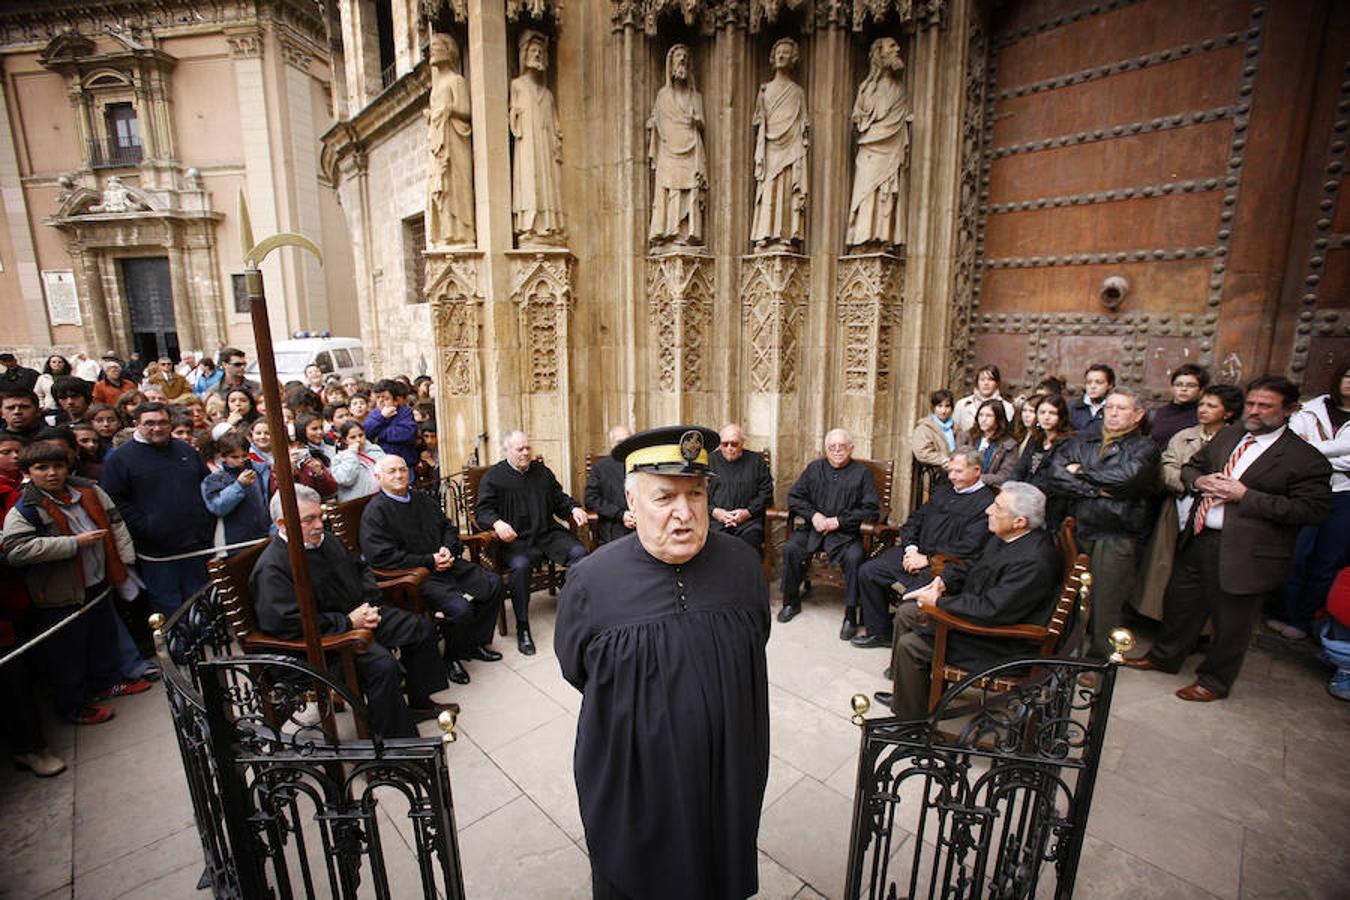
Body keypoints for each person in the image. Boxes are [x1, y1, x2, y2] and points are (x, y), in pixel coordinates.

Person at [555, 425, 769, 900]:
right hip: (636, 780)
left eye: (695, 493)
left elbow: (755, 643)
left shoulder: (742, 567)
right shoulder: (591, 580)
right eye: (664, 497)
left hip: (725, 774)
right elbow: (576, 668)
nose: (684, 513)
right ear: (631, 502)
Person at [1125, 376, 1333, 701]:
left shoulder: (1304, 458)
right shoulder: (1231, 435)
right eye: (1251, 403)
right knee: (1181, 605)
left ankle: (1214, 681)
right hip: (1200, 536)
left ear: (1290, 410)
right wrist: (1200, 480)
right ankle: (1164, 657)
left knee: (1232, 622)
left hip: (1248, 553)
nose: (1254, 411)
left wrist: (1246, 496)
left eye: (1265, 406)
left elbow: (1312, 510)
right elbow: (1192, 467)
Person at [251, 485, 456, 739]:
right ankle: (388, 742)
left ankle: (419, 702)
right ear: (283, 523)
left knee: (420, 628)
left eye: (320, 516)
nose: (318, 525)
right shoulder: (273, 567)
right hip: (322, 645)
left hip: (358, 616)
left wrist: (368, 606)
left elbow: (361, 569)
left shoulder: (326, 540)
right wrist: (347, 622)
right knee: (382, 666)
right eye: (308, 520)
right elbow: (287, 623)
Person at [872, 482, 1061, 718]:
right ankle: (908, 695)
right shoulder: (1006, 536)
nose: (988, 510)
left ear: (1019, 522)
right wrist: (944, 581)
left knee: (911, 646)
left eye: (998, 507)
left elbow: (992, 609)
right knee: (907, 610)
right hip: (983, 619)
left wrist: (938, 604)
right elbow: (975, 565)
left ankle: (910, 723)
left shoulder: (1034, 561)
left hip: (1000, 644)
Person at [3, 440, 146, 726]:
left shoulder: (88, 489)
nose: (52, 473)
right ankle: (74, 704)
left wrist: (124, 562)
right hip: (60, 593)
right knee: (68, 653)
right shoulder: (26, 507)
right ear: (30, 471)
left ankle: (109, 682)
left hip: (97, 580)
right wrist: (71, 544)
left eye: (57, 466)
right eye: (42, 468)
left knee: (102, 638)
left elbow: (115, 521)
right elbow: (16, 550)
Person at [361, 455, 504, 685]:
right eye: (391, 472)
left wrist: (447, 548)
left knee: (493, 584)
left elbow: (447, 526)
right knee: (460, 608)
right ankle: (451, 658)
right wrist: (429, 560)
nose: (399, 475)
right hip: (416, 576)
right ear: (378, 477)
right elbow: (382, 557)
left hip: (444, 563)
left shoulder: (421, 498)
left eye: (402, 469)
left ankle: (474, 643)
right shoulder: (375, 513)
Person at [1049, 387, 1159, 656]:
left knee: (1105, 601)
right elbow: (1055, 474)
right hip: (1076, 527)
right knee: (1067, 595)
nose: (1113, 413)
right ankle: (1062, 651)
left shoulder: (1145, 448)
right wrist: (1094, 489)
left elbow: (1127, 478)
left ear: (1138, 415)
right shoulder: (1083, 440)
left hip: (1114, 532)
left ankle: (1099, 660)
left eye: (1122, 408)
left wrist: (1082, 472)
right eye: (1109, 407)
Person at [852, 449, 992, 648]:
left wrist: (928, 559)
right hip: (915, 554)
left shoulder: (985, 503)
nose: (952, 476)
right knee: (869, 571)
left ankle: (907, 649)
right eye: (951, 471)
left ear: (977, 470)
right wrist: (911, 549)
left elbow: (971, 546)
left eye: (958, 472)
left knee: (909, 601)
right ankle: (880, 632)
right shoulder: (944, 490)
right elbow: (914, 521)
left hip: (945, 566)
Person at [474, 430, 589, 655]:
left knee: (579, 554)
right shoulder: (494, 477)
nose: (526, 453)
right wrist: (497, 523)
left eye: (528, 448)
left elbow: (559, 499)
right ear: (507, 450)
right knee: (520, 566)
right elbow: (483, 511)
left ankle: (575, 610)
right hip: (515, 539)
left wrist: (573, 507)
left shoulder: (542, 472)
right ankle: (523, 626)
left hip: (546, 532)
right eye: (520, 449)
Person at [1135, 384, 1243, 620]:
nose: (1203, 410)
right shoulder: (1185, 436)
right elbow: (1167, 467)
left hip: (1216, 512)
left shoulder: (1238, 442)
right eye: (1202, 404)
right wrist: (1191, 483)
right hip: (1178, 505)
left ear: (1228, 412)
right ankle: (1157, 614)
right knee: (1165, 564)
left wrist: (1215, 488)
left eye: (1212, 406)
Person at [99, 402, 214, 615]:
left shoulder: (185, 450)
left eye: (162, 422)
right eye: (149, 423)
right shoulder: (121, 459)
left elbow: (206, 485)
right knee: (169, 605)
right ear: (136, 425)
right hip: (156, 551)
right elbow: (113, 501)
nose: (157, 428)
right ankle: (177, 648)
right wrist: (146, 526)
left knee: (200, 598)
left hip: (194, 543)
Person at [779, 428, 880, 636]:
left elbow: (871, 509)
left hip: (845, 534)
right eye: (832, 447)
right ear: (826, 449)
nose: (837, 451)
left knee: (855, 557)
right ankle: (791, 601)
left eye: (842, 447)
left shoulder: (862, 474)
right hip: (813, 529)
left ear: (851, 449)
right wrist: (814, 515)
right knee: (790, 548)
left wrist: (839, 521)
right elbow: (794, 497)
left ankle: (850, 614)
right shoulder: (814, 468)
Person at [1278, 360, 1350, 638]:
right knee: (1296, 553)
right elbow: (1293, 449)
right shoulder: (1311, 410)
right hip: (1304, 492)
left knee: (1327, 559)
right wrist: (1337, 454)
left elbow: (1306, 454)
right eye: (1346, 376)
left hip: (1343, 495)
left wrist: (1314, 452)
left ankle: (1304, 620)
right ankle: (1285, 612)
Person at [708, 423, 774, 555]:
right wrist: (715, 511)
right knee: (714, 548)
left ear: (742, 443)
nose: (729, 448)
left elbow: (766, 493)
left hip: (749, 523)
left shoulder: (756, 461)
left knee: (750, 548)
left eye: (734, 444)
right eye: (725, 444)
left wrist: (748, 512)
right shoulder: (710, 461)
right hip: (716, 521)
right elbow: (698, 493)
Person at [1010, 393, 1075, 528]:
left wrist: (1027, 494)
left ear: (1060, 416)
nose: (1046, 417)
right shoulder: (1036, 439)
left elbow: (1053, 477)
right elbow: (1021, 467)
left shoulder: (1068, 442)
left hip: (1052, 505)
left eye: (1052, 413)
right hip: (1027, 500)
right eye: (1042, 412)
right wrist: (1012, 488)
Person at [200, 432, 271, 550]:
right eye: (235, 457)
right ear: (223, 457)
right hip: (234, 544)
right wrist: (239, 486)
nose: (241, 460)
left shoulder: (255, 473)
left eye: (244, 456)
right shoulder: (214, 480)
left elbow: (264, 502)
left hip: (261, 538)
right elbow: (217, 507)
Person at [584, 425, 635, 545]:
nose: (624, 445)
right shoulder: (600, 468)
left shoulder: (643, 464)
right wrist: (620, 515)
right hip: (615, 525)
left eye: (628, 441)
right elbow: (591, 499)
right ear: (612, 445)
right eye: (619, 442)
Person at [1148, 364, 1210, 449]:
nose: (1184, 389)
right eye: (1178, 384)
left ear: (1201, 390)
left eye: (1191, 385)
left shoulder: (1202, 416)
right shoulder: (1157, 414)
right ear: (1172, 387)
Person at [363, 378, 418, 470]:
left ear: (396, 400)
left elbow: (408, 434)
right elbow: (366, 433)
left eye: (385, 398)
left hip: (404, 462)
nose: (381, 401)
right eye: (378, 398)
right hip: (382, 463)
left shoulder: (405, 412)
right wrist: (382, 417)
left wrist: (380, 433)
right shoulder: (374, 414)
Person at [963, 398, 1019, 489]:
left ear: (998, 419)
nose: (983, 419)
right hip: (963, 485)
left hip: (990, 489)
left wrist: (976, 479)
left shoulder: (1008, 444)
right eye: (981, 415)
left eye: (989, 416)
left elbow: (1004, 475)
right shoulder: (969, 436)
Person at [330, 420, 386, 502]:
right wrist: (351, 454)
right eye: (353, 437)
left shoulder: (375, 450)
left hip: (380, 498)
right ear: (345, 440)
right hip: (357, 502)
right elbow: (346, 479)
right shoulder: (339, 459)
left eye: (361, 435)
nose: (358, 440)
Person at [952, 364, 1015, 435]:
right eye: (982, 380)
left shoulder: (1007, 407)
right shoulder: (962, 404)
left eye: (990, 379)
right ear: (977, 382)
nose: (986, 383)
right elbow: (955, 431)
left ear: (997, 383)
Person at [911, 389, 957, 475]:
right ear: (934, 408)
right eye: (940, 406)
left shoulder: (956, 428)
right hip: (935, 475)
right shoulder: (924, 428)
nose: (943, 410)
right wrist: (942, 459)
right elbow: (922, 453)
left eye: (947, 406)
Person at [1068, 363, 1115, 437]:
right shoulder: (1072, 406)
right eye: (1089, 382)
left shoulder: (1114, 408)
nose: (1093, 386)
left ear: (1110, 385)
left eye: (1099, 382)